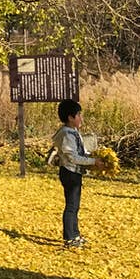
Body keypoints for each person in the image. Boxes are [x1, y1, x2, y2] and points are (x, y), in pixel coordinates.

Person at [52, 99, 97, 250]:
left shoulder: (73, 132)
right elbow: (73, 157)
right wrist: (93, 162)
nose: (80, 118)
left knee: (75, 205)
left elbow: (81, 152)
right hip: (70, 173)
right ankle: (70, 238)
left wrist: (95, 157)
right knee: (71, 206)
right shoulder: (67, 134)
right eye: (78, 115)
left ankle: (75, 235)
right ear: (70, 117)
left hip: (74, 172)